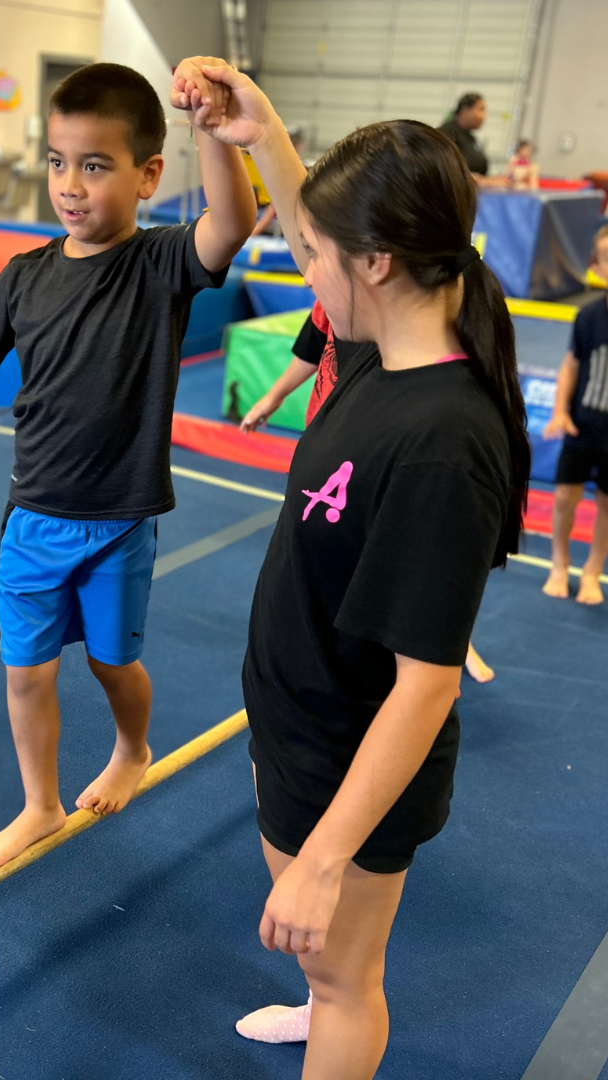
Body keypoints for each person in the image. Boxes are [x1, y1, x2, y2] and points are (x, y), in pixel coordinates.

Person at [172, 59, 529, 1078]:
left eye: (313, 256)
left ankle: (334, 1006)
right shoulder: (380, 349)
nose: (302, 269)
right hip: (301, 721)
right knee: (327, 970)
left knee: (348, 980)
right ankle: (322, 995)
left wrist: (326, 860)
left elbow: (426, 684)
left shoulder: (442, 442)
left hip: (348, 764)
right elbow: (314, 225)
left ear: (374, 264)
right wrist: (264, 128)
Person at [0, 62, 255, 869]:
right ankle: (41, 804)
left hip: (119, 519)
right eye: (59, 162)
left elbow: (231, 223)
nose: (70, 184)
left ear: (147, 177)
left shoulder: (159, 266)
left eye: (95, 166)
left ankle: (133, 747)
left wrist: (210, 126)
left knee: (112, 661)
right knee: (25, 672)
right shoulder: (25, 276)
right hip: (34, 517)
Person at [242, 302, 497, 686]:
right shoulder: (328, 297)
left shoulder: (384, 312)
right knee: (333, 555)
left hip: (368, 446)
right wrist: (274, 396)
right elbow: (312, 348)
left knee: (411, 554)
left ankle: (443, 644)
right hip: (326, 443)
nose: (310, 277)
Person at [541, 223, 608, 605]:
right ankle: (559, 564)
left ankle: (593, 570)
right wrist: (559, 411)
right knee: (565, 496)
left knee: (606, 504)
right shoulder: (588, 317)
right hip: (583, 424)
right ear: (597, 268)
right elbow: (570, 366)